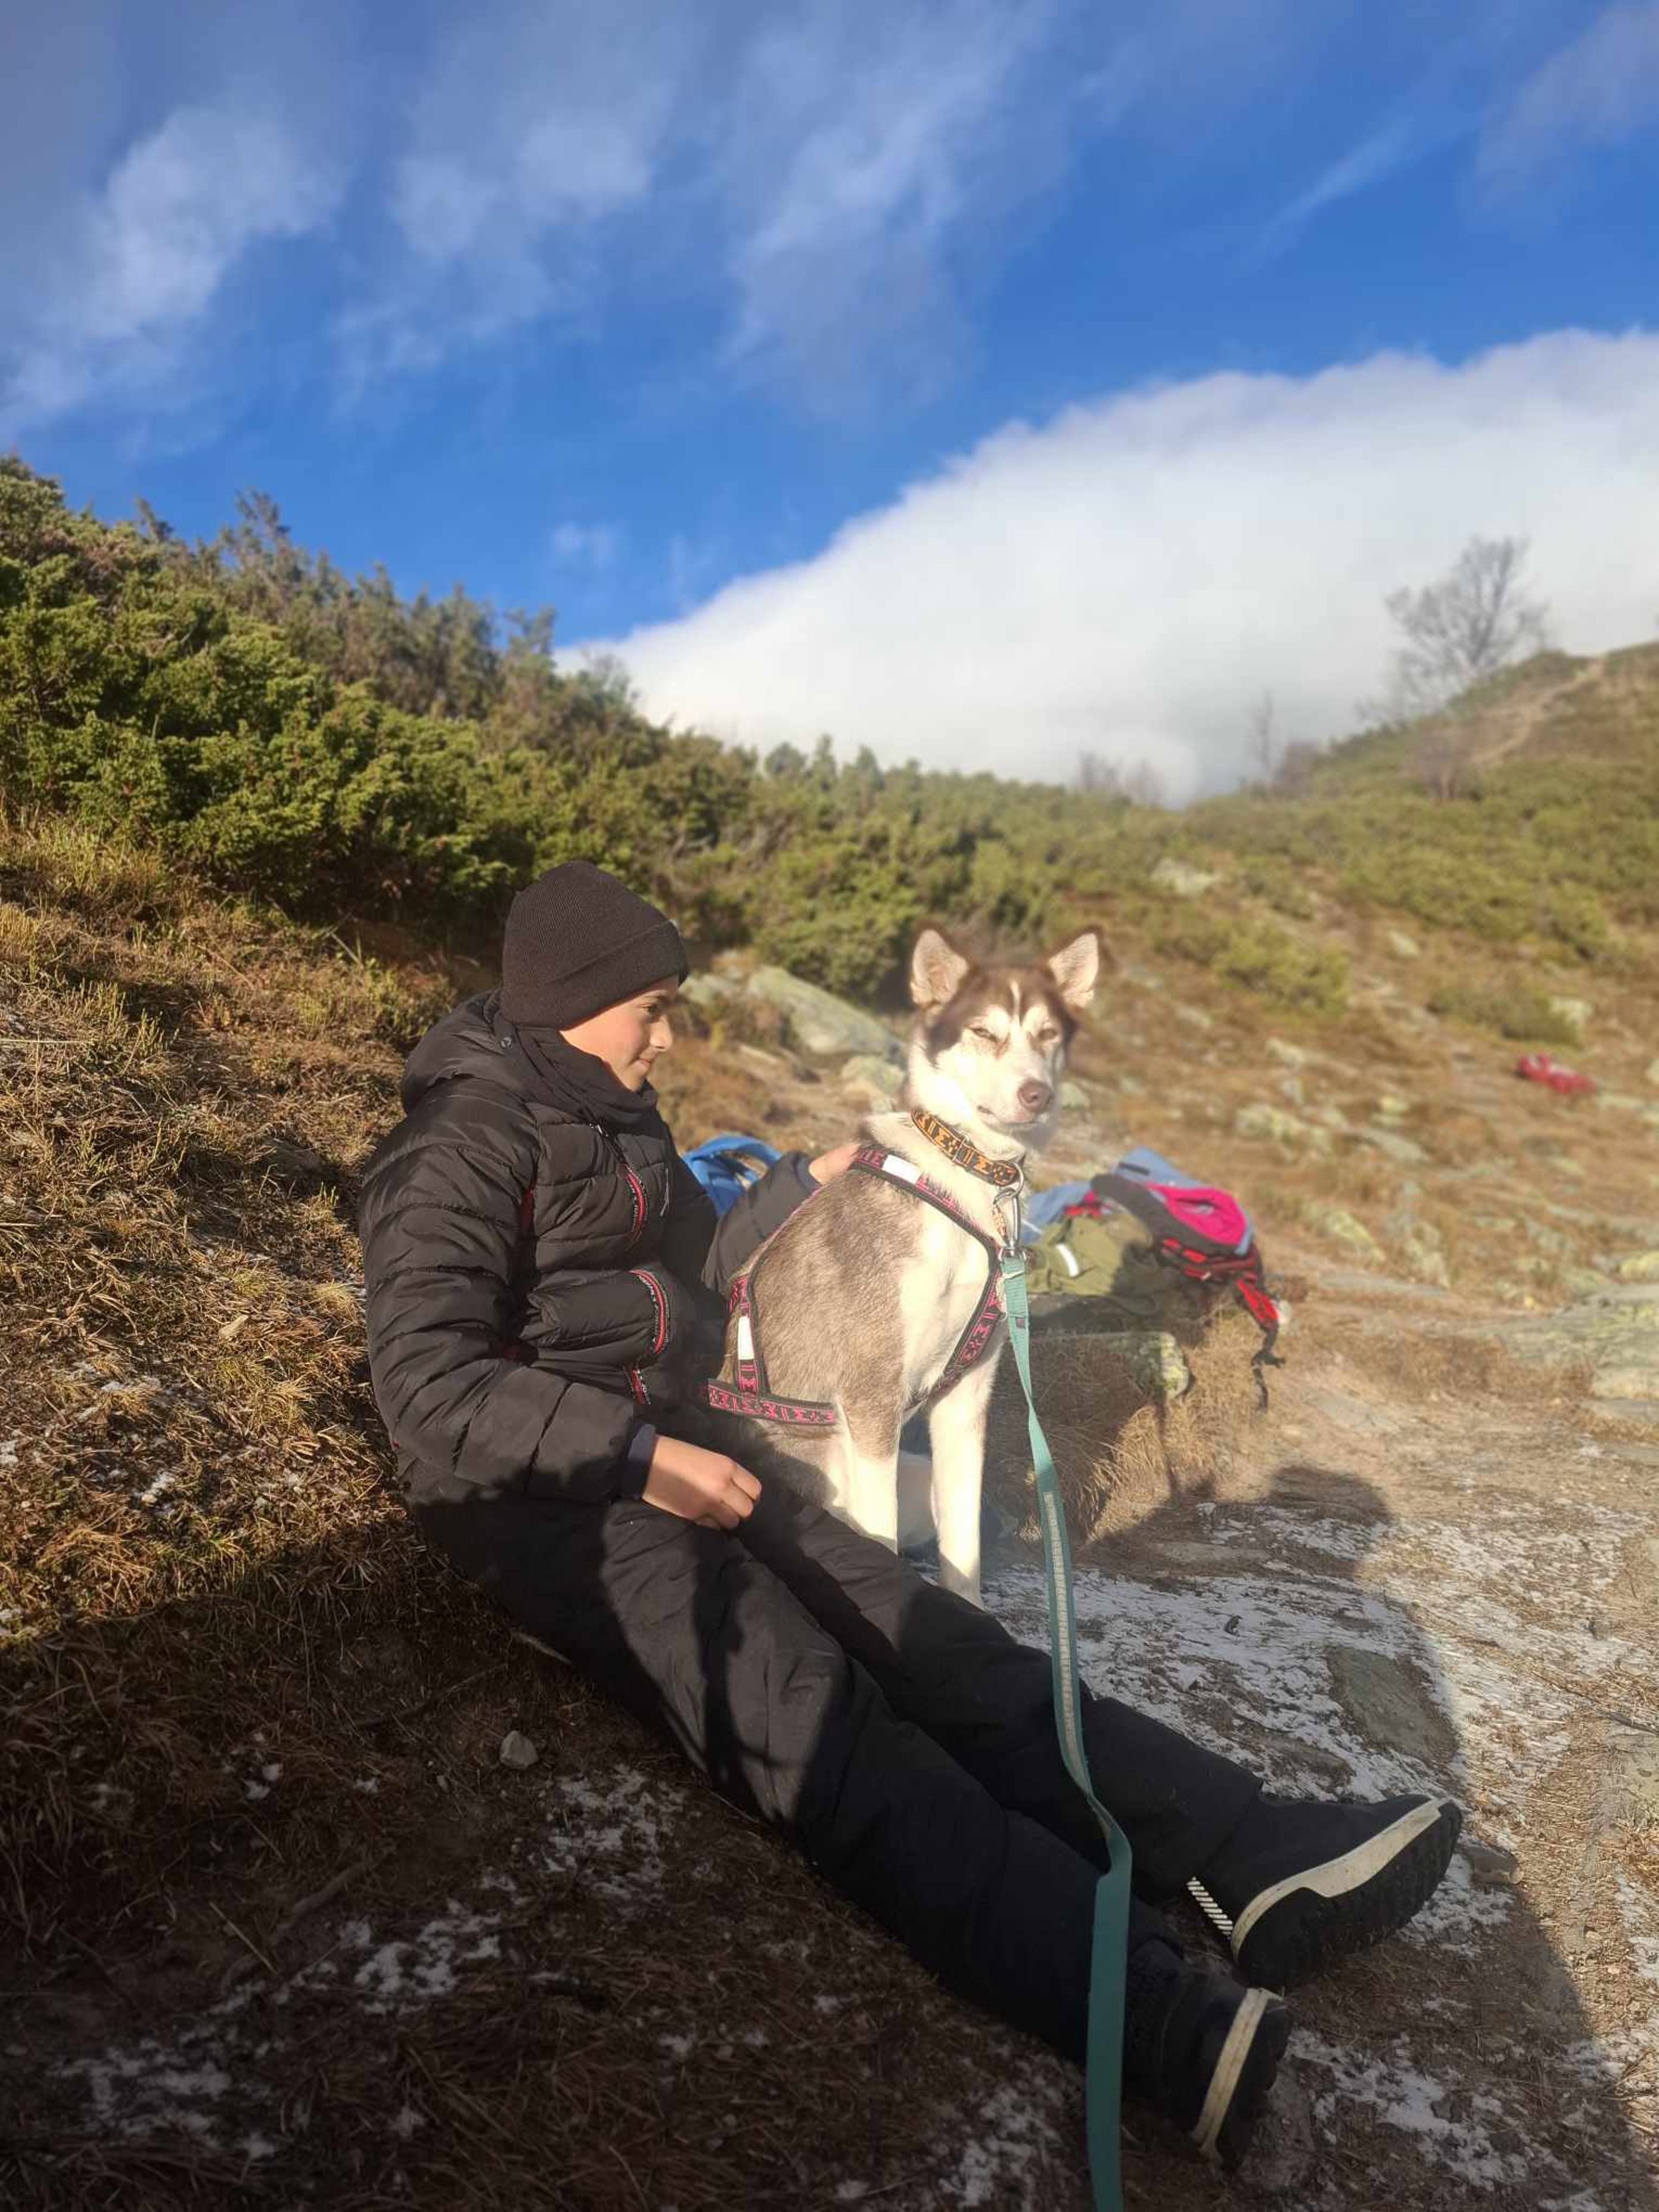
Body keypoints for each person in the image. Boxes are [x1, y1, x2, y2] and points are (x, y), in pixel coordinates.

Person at [357, 860, 1462, 2174]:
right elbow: (428, 1387)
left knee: (931, 1636)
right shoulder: (459, 1145)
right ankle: (1148, 2011)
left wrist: (790, 1185)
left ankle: (1249, 1848)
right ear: (573, 996)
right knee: (823, 1717)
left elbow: (696, 1275)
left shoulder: (619, 1111)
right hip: (548, 1502)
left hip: (677, 1442)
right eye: (651, 1006)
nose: (668, 1033)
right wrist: (639, 1455)